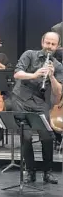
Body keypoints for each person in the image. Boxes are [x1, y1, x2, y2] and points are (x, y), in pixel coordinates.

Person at [12, 32, 63, 184]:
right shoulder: (29, 55)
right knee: (26, 137)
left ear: (57, 46)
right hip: (20, 98)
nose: (49, 47)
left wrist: (52, 76)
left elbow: (58, 92)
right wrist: (34, 75)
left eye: (53, 44)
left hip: (38, 101)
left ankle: (47, 172)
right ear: (42, 42)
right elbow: (17, 74)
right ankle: (30, 172)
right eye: (47, 43)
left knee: (47, 136)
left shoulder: (58, 65)